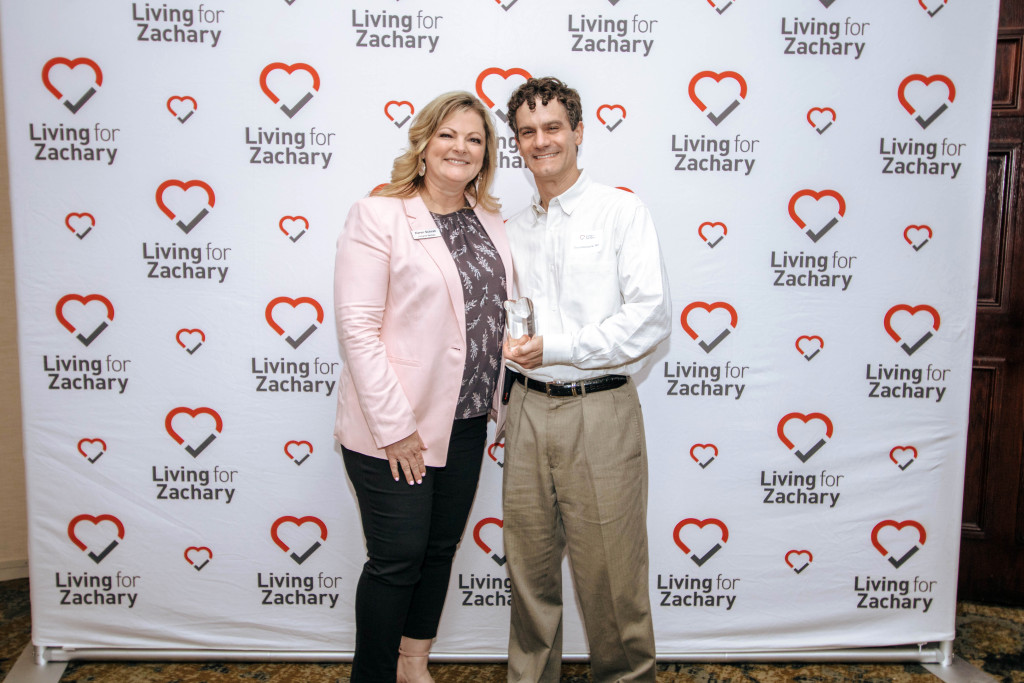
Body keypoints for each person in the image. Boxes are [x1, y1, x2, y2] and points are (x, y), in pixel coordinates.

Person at [333, 90, 513, 683]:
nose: (460, 147)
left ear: (486, 155)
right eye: (448, 135)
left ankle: (414, 666)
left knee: (438, 551)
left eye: (475, 138)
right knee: (397, 560)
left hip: (465, 420)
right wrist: (396, 429)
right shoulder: (379, 214)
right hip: (395, 427)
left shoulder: (492, 221)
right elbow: (358, 328)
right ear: (424, 143)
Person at [501, 77, 672, 683]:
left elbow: (649, 318)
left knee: (613, 581)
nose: (541, 141)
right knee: (528, 575)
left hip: (600, 410)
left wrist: (560, 348)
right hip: (523, 411)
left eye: (553, 127)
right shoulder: (512, 230)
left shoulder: (621, 211)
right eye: (527, 131)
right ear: (515, 143)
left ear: (578, 131)